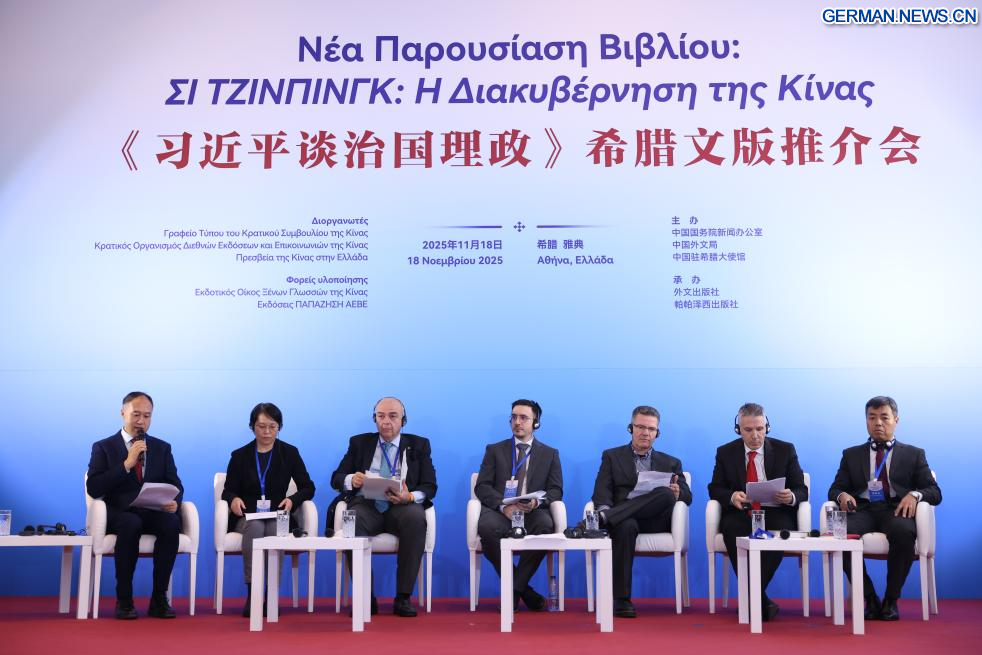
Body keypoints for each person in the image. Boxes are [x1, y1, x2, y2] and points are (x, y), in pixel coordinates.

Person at [828, 396, 941, 621]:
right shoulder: (851, 454)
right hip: (862, 510)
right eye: (872, 417)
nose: (878, 423)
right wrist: (842, 495)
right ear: (866, 421)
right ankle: (869, 597)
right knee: (837, 534)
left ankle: (891, 599)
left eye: (884, 417)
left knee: (903, 532)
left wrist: (915, 495)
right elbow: (835, 489)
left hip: (896, 510)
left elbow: (934, 492)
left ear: (896, 420)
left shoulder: (914, 454)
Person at [330, 397, 437, 617]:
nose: (386, 421)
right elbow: (337, 478)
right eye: (381, 416)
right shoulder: (360, 443)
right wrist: (351, 479)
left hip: (402, 505)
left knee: (415, 518)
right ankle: (365, 597)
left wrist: (410, 496)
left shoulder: (419, 445)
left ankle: (403, 597)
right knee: (352, 520)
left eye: (392, 416)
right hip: (367, 504)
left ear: (403, 420)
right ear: (375, 419)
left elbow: (430, 486)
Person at [86, 391, 184, 620]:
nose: (141, 421)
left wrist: (173, 502)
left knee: (171, 523)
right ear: (123, 413)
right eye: (136, 414)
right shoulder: (103, 447)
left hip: (152, 511)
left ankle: (159, 599)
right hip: (120, 513)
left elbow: (176, 484)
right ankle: (124, 599)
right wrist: (127, 464)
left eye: (147, 416)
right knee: (131, 522)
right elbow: (94, 487)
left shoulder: (162, 447)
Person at [708, 402, 807, 622]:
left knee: (780, 532)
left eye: (760, 429)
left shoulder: (785, 450)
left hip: (775, 511)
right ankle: (760, 600)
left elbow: (802, 489)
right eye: (748, 430)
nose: (755, 435)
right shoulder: (725, 452)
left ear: (767, 427)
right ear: (738, 430)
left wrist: (791, 496)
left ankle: (750, 597)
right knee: (731, 527)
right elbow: (715, 488)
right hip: (742, 511)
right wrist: (731, 496)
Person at [590, 405, 691, 618]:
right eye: (640, 427)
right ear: (631, 428)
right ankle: (622, 599)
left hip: (656, 520)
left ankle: (605, 518)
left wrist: (678, 492)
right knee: (625, 525)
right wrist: (605, 508)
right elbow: (601, 491)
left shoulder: (671, 462)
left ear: (657, 433)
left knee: (666, 494)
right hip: (626, 521)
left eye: (651, 429)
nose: (646, 433)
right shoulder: (612, 456)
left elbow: (688, 497)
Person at [221, 402, 315, 617]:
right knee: (255, 527)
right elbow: (228, 490)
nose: (267, 432)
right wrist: (233, 499)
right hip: (248, 515)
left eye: (272, 427)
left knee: (274, 529)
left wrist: (292, 500)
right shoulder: (240, 456)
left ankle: (271, 594)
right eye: (261, 426)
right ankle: (253, 594)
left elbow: (308, 487)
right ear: (252, 427)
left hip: (278, 514)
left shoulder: (289, 453)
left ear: (279, 427)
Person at [475, 399, 563, 611]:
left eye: (524, 418)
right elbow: (482, 486)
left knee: (545, 526)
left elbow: (555, 490)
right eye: (513, 417)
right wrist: (503, 507)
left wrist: (536, 501)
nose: (517, 422)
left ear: (536, 423)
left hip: (532, 512)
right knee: (487, 527)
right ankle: (524, 591)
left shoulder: (550, 454)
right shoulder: (494, 450)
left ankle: (513, 591)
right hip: (501, 512)